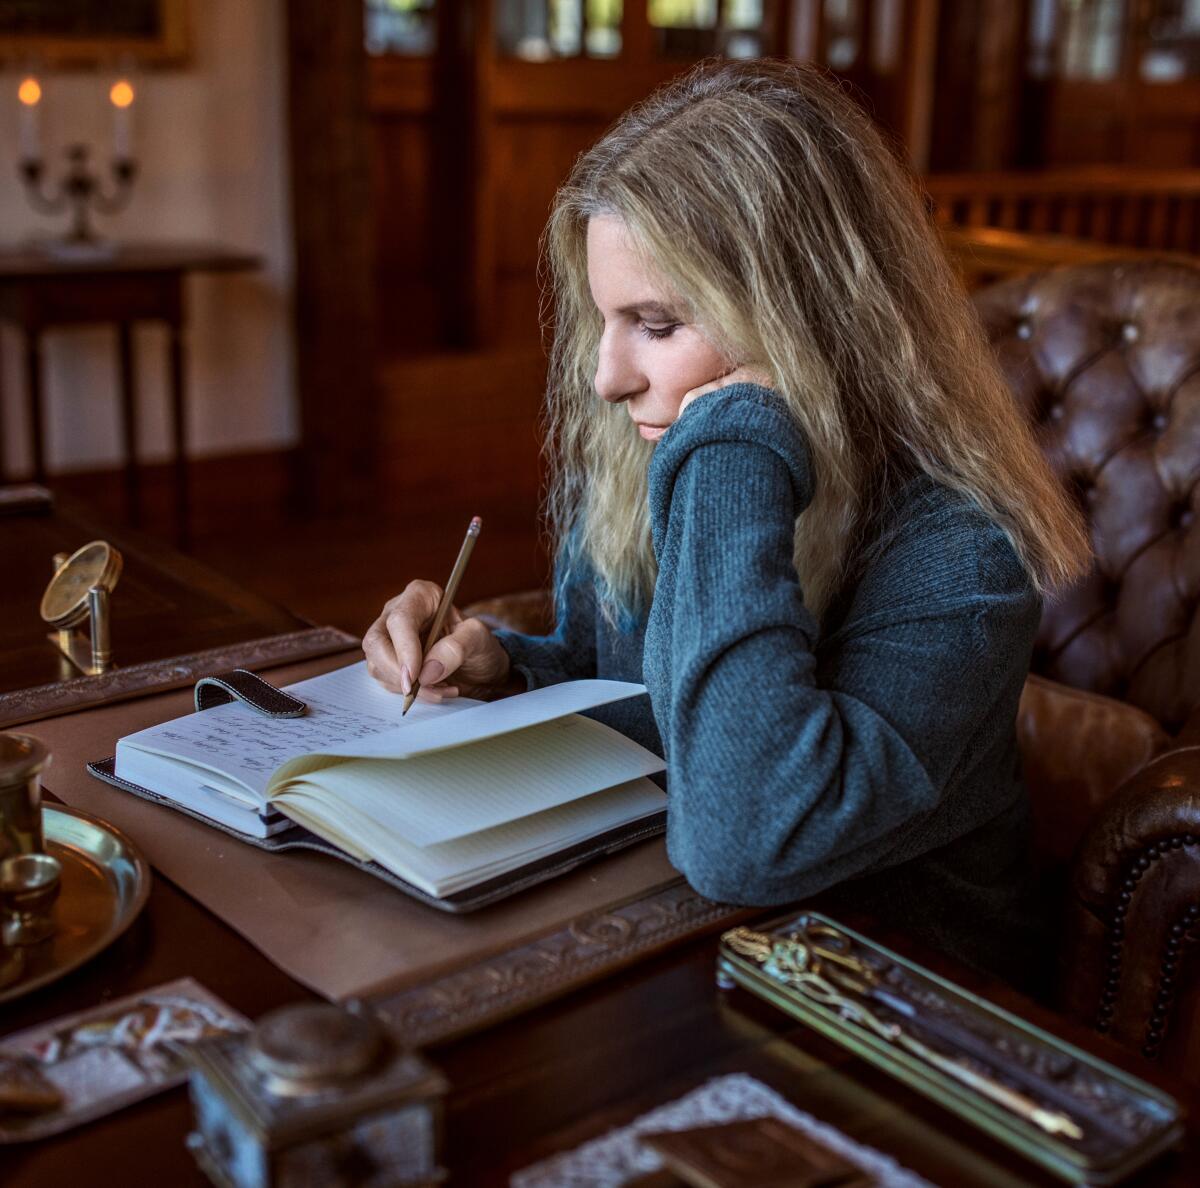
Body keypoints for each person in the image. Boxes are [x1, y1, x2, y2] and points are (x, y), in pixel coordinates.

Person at [362, 60, 1089, 986]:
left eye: (657, 324)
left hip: (896, 1004)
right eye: (605, 321)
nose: (606, 376)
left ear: (808, 322)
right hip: (681, 938)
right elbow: (622, 680)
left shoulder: (964, 551)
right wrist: (505, 667)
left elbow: (747, 839)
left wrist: (736, 445)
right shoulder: (648, 457)